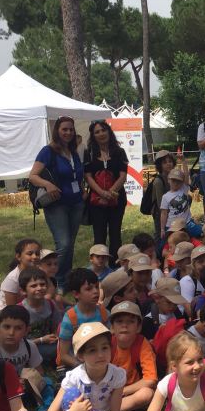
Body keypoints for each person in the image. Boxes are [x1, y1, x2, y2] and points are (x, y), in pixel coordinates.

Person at [43, 322, 138, 411]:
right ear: (81, 356)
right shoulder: (74, 378)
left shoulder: (117, 375)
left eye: (104, 348)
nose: (100, 355)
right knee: (71, 394)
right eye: (92, 350)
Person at [28, 116, 85, 290]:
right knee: (64, 243)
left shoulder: (73, 151)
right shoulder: (48, 151)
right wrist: (48, 184)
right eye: (64, 129)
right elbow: (33, 175)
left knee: (70, 244)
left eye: (71, 129)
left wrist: (82, 191)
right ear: (57, 131)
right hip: (57, 204)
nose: (68, 132)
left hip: (76, 203)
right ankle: (57, 280)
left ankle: (66, 279)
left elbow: (76, 175)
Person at [83, 119, 128, 254]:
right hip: (96, 201)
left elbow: (123, 176)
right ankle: (99, 266)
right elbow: (88, 176)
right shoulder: (89, 153)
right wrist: (102, 193)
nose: (101, 134)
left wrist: (110, 192)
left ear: (109, 131)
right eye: (97, 132)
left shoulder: (120, 152)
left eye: (103, 130)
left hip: (117, 200)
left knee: (115, 234)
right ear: (93, 135)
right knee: (99, 235)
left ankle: (115, 265)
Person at [109, 301, 158, 411]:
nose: (124, 325)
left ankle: (111, 410)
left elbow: (150, 379)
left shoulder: (142, 344)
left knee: (147, 393)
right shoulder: (107, 344)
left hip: (132, 391)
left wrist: (122, 391)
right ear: (112, 327)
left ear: (138, 327)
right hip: (107, 391)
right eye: (119, 321)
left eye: (130, 322)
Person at [57, 268, 108, 371]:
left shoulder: (104, 313)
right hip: (79, 364)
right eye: (89, 289)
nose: (95, 292)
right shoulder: (70, 318)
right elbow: (64, 354)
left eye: (97, 287)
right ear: (76, 294)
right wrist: (83, 367)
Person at [0, 238, 41, 326]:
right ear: (18, 256)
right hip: (5, 318)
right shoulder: (12, 279)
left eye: (37, 254)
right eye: (30, 253)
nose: (34, 256)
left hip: (27, 311)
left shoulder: (38, 272)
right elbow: (11, 309)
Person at [150, 150, 185, 257]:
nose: (168, 164)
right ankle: (158, 257)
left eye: (170, 161)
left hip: (173, 212)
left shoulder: (174, 177)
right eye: (164, 162)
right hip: (161, 214)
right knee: (161, 236)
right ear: (159, 165)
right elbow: (161, 204)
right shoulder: (158, 181)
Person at [0, 305, 43, 376]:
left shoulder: (29, 347)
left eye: (18, 328)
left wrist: (28, 381)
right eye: (7, 327)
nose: (11, 333)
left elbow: (39, 372)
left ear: (26, 331)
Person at [160, 167, 201, 243]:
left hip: (187, 222)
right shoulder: (165, 197)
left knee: (201, 233)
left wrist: (183, 160)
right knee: (164, 245)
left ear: (182, 182)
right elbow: (164, 213)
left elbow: (186, 174)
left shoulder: (184, 189)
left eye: (179, 181)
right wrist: (162, 229)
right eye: (173, 180)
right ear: (169, 180)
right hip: (172, 225)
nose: (176, 183)